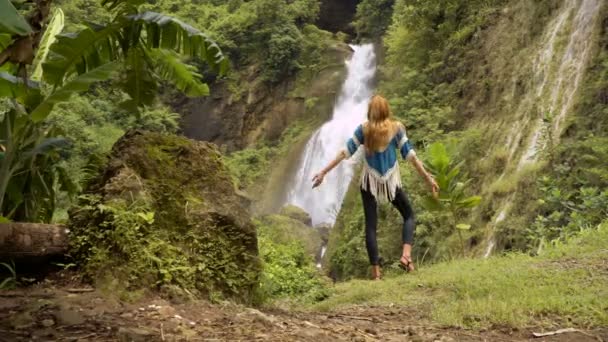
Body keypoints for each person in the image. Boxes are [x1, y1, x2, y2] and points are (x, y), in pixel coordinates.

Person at [312, 95, 439, 280]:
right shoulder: (397, 129)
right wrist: (428, 179)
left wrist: (323, 172)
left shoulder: (364, 130)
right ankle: (406, 256)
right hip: (390, 182)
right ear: (387, 110)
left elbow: (344, 152)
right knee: (409, 215)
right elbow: (411, 156)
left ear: (370, 111)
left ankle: (376, 274)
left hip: (369, 181)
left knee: (371, 226)